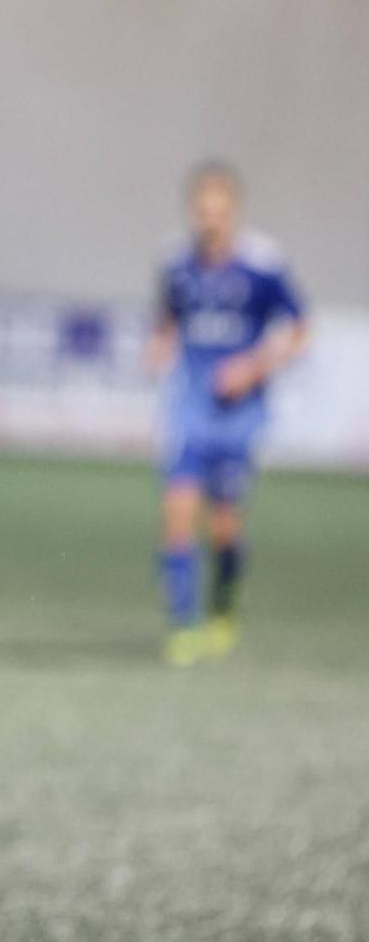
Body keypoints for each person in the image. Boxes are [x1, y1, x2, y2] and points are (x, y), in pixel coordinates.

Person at [149, 163, 308, 667]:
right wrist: (160, 344)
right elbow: (168, 318)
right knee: (177, 512)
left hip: (239, 416)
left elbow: (301, 329)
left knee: (224, 528)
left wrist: (254, 366)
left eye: (219, 212)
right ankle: (183, 623)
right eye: (202, 211)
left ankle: (225, 600)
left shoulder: (263, 265)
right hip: (190, 407)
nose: (210, 221)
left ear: (234, 212)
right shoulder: (176, 262)